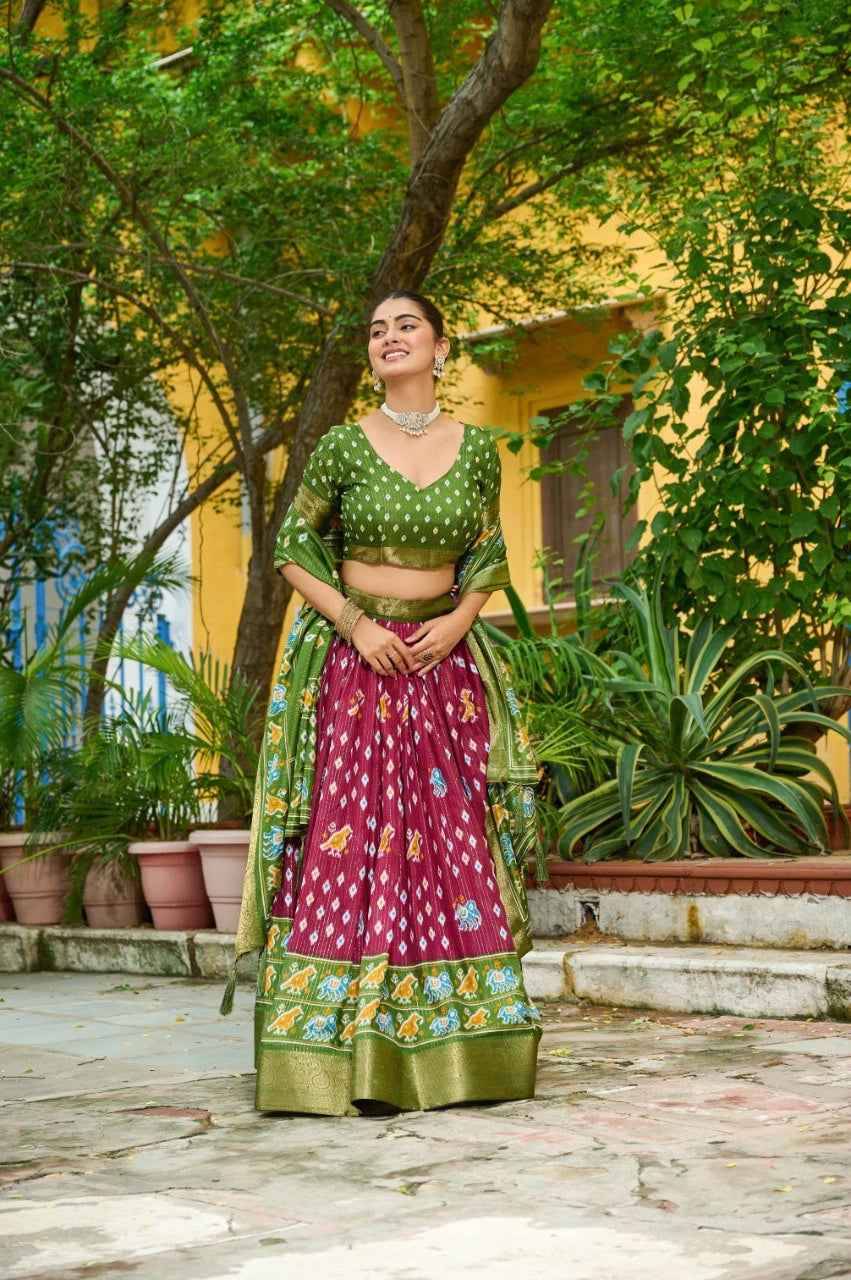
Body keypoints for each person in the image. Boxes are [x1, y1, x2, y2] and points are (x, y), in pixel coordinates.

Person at [220, 290, 545, 1117]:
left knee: (447, 844)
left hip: (442, 669)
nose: (389, 337)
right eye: (376, 330)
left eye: (406, 326)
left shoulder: (477, 450)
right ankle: (337, 1052)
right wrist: (357, 625)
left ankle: (463, 1050)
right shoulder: (338, 447)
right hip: (358, 666)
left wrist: (459, 622)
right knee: (354, 837)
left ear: (440, 347)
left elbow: (485, 553)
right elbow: (291, 548)